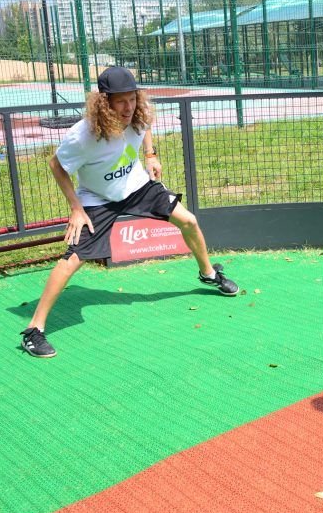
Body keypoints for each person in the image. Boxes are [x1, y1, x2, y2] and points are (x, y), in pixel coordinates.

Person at [20, 67, 238, 358]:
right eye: (121, 101)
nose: (128, 107)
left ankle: (208, 274)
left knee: (188, 220)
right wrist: (76, 208)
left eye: (132, 99)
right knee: (74, 258)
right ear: (104, 102)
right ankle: (34, 330)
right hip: (97, 199)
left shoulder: (137, 115)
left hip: (136, 186)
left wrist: (150, 155)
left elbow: (145, 125)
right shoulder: (82, 136)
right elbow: (56, 166)